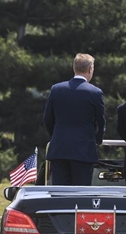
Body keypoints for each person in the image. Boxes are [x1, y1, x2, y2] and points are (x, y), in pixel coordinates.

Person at [43, 53, 106, 185]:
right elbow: (101, 122)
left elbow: (47, 119)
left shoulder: (56, 89)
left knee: (60, 195)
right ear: (90, 69)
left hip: (59, 149)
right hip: (84, 151)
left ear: (74, 68)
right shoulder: (95, 93)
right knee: (81, 195)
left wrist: (56, 135)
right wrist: (97, 139)